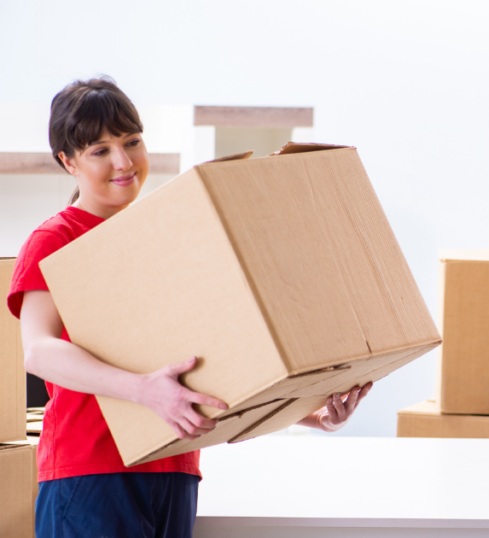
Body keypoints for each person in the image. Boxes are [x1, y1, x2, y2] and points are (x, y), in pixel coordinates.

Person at [8, 77, 373, 538]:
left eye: (132, 142)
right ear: (68, 161)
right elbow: (39, 352)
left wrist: (310, 411)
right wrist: (144, 390)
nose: (123, 162)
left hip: (175, 466)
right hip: (92, 470)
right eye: (100, 150)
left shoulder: (166, 236)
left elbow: (215, 361)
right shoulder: (55, 239)